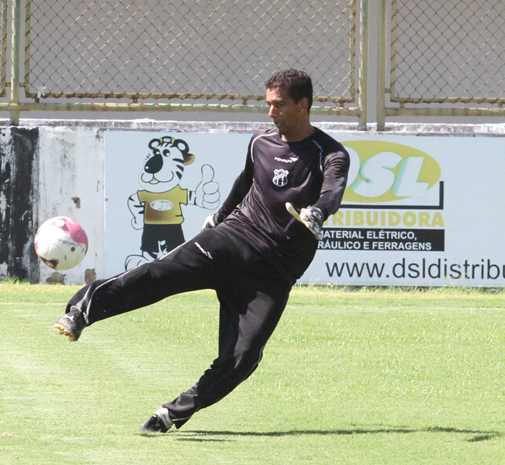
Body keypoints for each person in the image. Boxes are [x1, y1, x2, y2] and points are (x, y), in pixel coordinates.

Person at [54, 69, 350, 433]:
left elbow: (332, 190)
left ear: (303, 105)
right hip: (233, 239)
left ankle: (172, 413)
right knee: (160, 274)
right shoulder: (260, 142)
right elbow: (245, 183)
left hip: (273, 273)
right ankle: (82, 313)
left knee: (243, 358)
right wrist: (219, 217)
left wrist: (319, 211)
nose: (271, 112)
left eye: (280, 105)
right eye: (269, 104)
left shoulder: (330, 153)